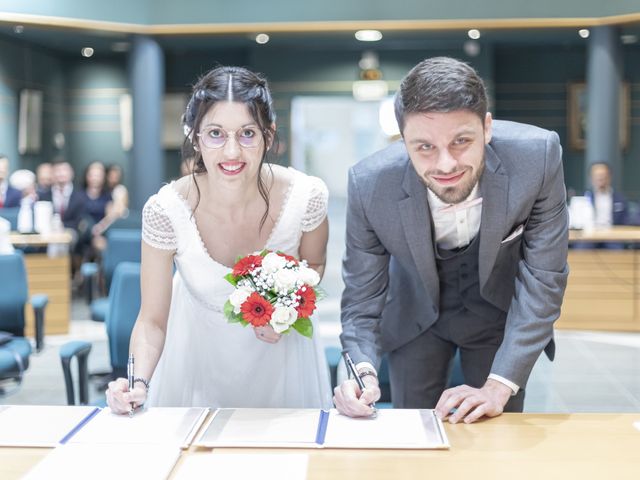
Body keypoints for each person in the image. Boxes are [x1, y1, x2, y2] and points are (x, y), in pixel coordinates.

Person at [334, 57, 569, 424]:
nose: (445, 164)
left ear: (487, 128)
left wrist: (498, 386)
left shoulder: (537, 158)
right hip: (413, 315)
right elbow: (362, 298)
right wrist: (359, 371)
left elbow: (544, 279)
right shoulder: (369, 185)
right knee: (411, 429)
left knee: (495, 430)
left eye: (461, 141)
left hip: (497, 313)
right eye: (424, 147)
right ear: (403, 140)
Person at [106, 66, 332, 413]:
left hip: (282, 361)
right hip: (198, 359)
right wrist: (137, 382)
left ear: (268, 136)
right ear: (195, 137)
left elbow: (313, 266)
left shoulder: (306, 196)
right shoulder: (166, 210)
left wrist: (285, 312)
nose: (231, 152)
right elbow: (151, 320)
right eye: (215, 133)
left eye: (247, 134)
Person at [584, 162, 628, 228]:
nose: (600, 178)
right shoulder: (584, 198)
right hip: (590, 235)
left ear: (609, 177)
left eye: (603, 175)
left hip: (614, 235)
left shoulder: (620, 199)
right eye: (597, 176)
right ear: (591, 178)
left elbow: (626, 221)